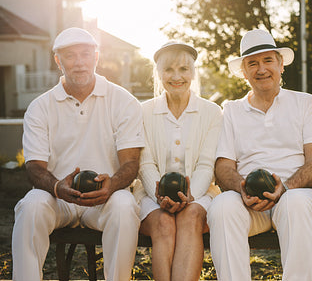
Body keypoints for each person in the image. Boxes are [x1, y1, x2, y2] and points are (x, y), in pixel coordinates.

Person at [12, 27, 145, 281]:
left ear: (97, 57)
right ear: (58, 61)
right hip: (58, 198)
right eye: (70, 56)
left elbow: (130, 162)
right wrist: (57, 187)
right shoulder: (40, 107)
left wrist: (112, 184)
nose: (79, 62)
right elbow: (34, 167)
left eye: (85, 54)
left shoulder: (122, 101)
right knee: (30, 206)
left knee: (125, 205)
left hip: (105, 198)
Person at [207, 29, 312, 281]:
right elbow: (223, 167)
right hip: (250, 202)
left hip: (300, 196)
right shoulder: (231, 110)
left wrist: (285, 187)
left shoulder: (306, 103)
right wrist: (242, 190)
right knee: (221, 206)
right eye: (252, 63)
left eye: (267, 61)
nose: (261, 69)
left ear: (280, 64)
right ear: (244, 72)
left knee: (293, 203)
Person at [133, 41, 222, 281]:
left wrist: (190, 195)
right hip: (152, 194)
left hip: (199, 193)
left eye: (183, 69)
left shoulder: (212, 112)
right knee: (163, 222)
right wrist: (159, 195)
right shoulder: (142, 112)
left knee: (190, 216)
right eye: (168, 70)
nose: (176, 76)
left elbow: (206, 165)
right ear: (158, 73)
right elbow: (145, 164)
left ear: (193, 72)